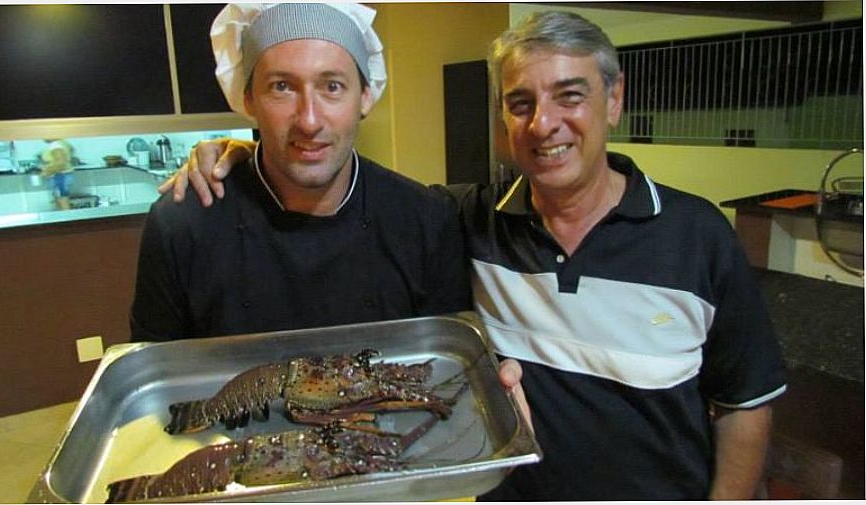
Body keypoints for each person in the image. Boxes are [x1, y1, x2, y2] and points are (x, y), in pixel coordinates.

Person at [163, 9, 787, 501]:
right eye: (520, 103)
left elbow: (746, 404)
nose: (544, 124)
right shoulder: (470, 220)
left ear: (614, 99)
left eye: (570, 95)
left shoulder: (698, 236)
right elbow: (340, 192)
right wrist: (243, 156)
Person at [130, 3, 472, 343]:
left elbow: (449, 363)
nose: (309, 121)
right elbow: (156, 370)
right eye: (282, 86)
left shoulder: (426, 221)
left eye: (332, 86)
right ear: (248, 99)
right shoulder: (183, 227)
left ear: (365, 97)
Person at [41, 138, 75, 210]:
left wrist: (47, 172)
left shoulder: (55, 145)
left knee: (62, 201)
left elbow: (60, 162)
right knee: (61, 199)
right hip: (62, 175)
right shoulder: (63, 143)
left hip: (59, 176)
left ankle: (65, 216)